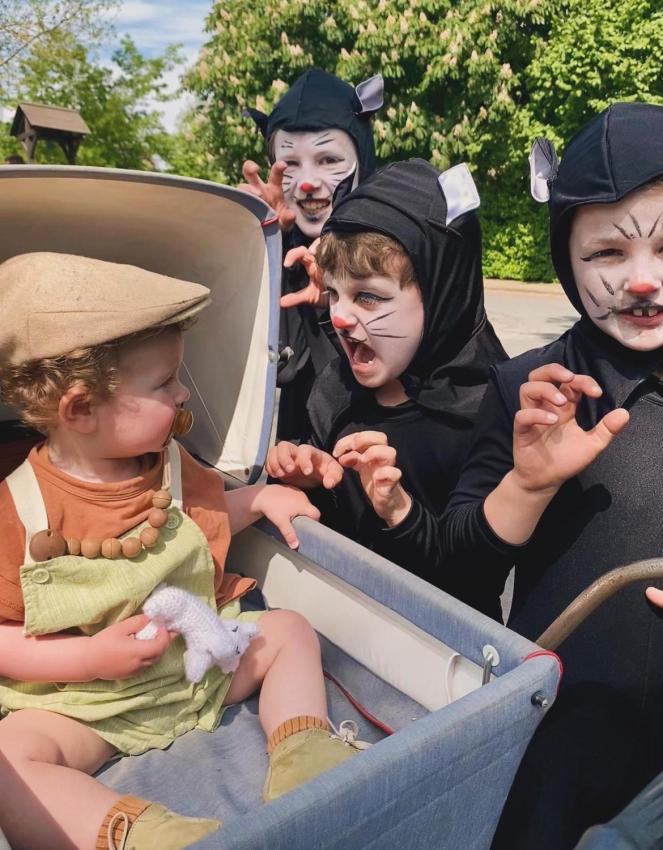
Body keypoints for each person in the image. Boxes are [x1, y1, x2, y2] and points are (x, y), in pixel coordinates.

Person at [340, 103, 663, 848]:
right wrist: (526, 486)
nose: (645, 283)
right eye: (608, 255)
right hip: (553, 741)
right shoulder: (530, 388)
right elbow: (459, 569)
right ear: (567, 258)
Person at [0, 252, 365, 850]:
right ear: (81, 409)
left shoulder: (169, 463)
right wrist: (88, 658)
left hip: (194, 666)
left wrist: (259, 500)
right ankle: (147, 836)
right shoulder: (18, 509)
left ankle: (306, 762)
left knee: (291, 631)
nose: (182, 393)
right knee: (11, 761)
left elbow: (202, 516)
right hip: (90, 702)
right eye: (165, 382)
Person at [266, 159, 506, 603]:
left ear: (440, 296)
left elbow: (476, 574)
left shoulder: (489, 409)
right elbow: (326, 528)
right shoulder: (335, 387)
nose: (337, 316)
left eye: (368, 297)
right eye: (334, 293)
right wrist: (310, 478)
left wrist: (398, 511)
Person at [240, 67, 383, 441]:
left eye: (328, 160)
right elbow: (277, 367)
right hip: (298, 451)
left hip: (381, 455)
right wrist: (269, 243)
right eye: (289, 164)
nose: (306, 182)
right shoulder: (284, 246)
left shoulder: (400, 240)